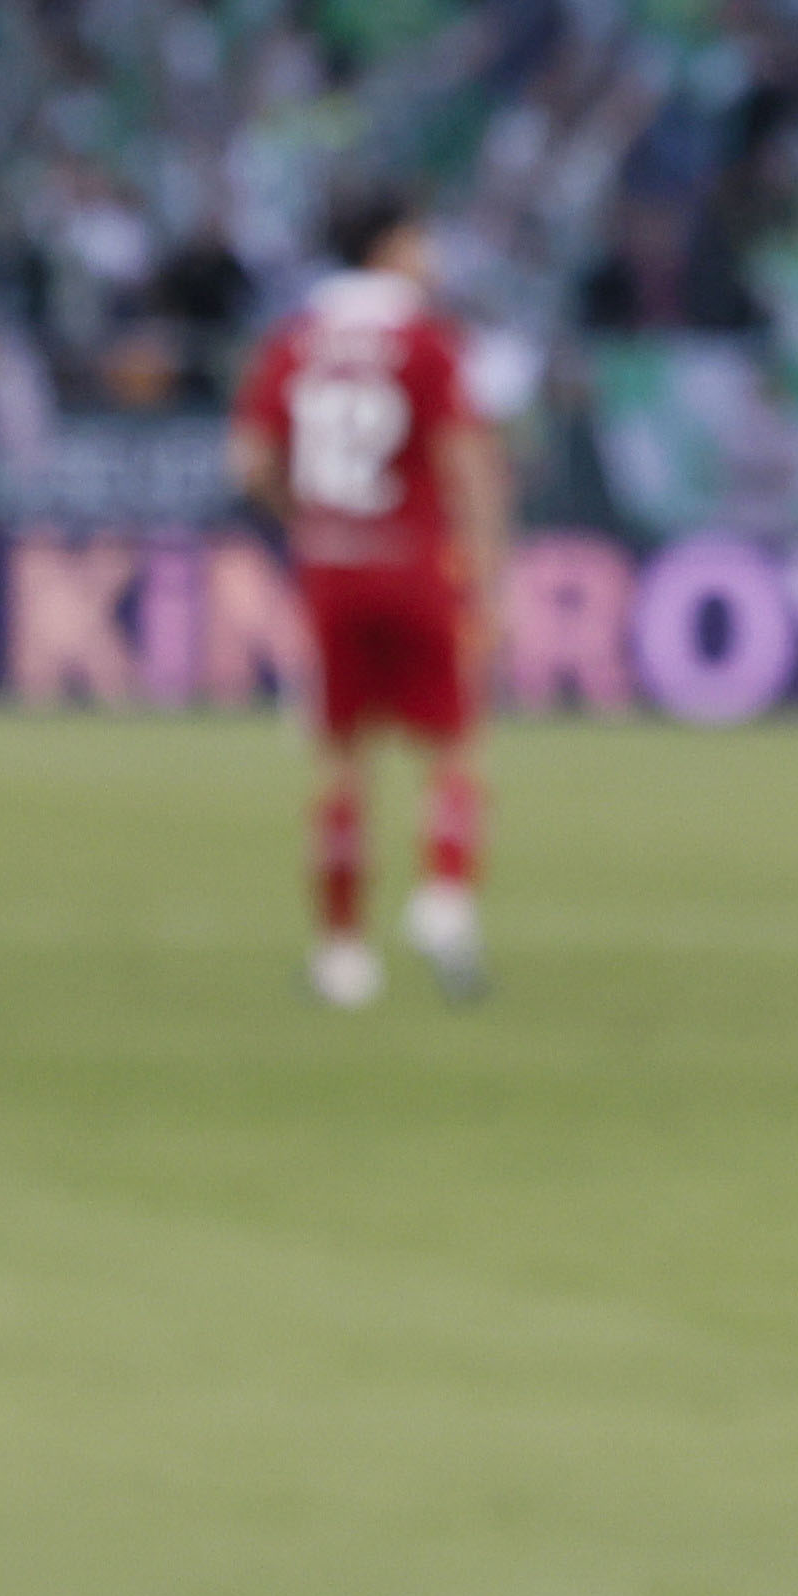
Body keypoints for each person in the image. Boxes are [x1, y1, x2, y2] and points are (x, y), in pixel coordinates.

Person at [225, 189, 509, 1007]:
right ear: (391, 246)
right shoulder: (427, 342)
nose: (434, 255)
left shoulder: (292, 341)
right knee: (455, 748)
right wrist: (490, 573)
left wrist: (306, 519)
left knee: (342, 764)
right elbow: (467, 464)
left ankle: (343, 957)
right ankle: (446, 897)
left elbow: (247, 463)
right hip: (419, 563)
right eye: (423, 238)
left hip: (331, 568)